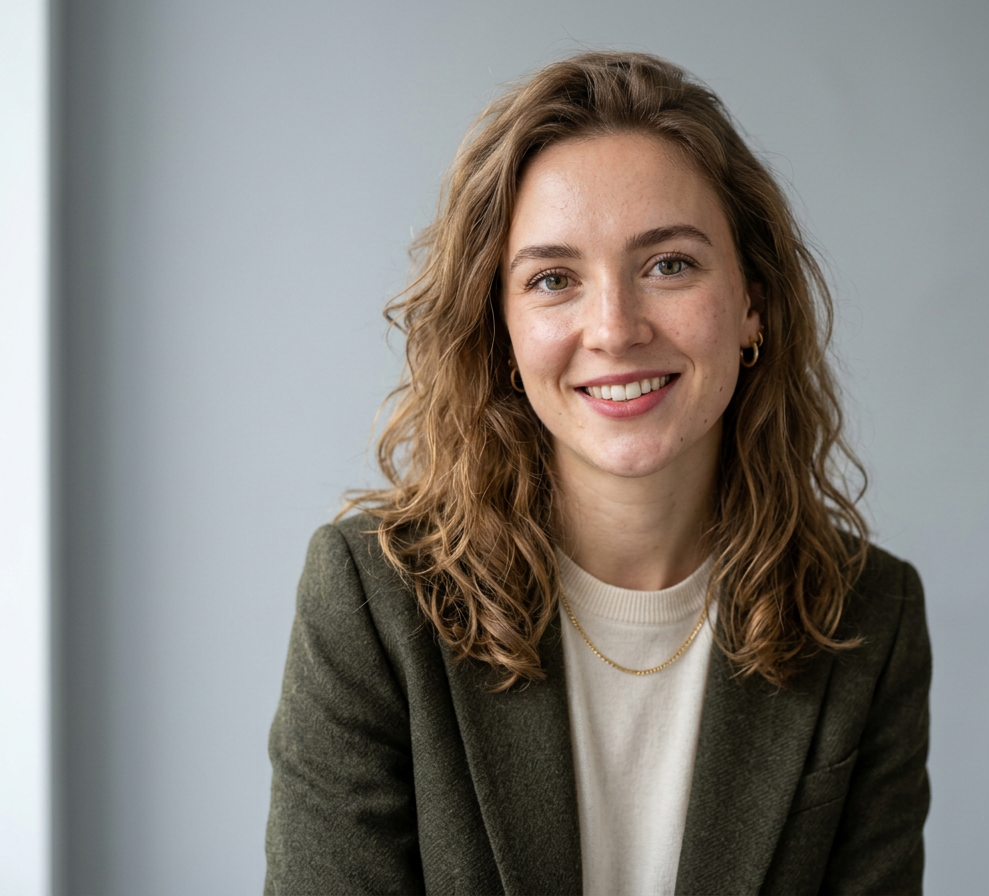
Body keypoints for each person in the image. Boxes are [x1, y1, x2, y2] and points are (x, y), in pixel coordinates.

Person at [265, 51, 930, 895]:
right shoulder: (373, 602)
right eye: (554, 279)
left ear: (753, 303)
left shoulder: (869, 618)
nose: (615, 329)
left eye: (669, 264)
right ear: (501, 332)